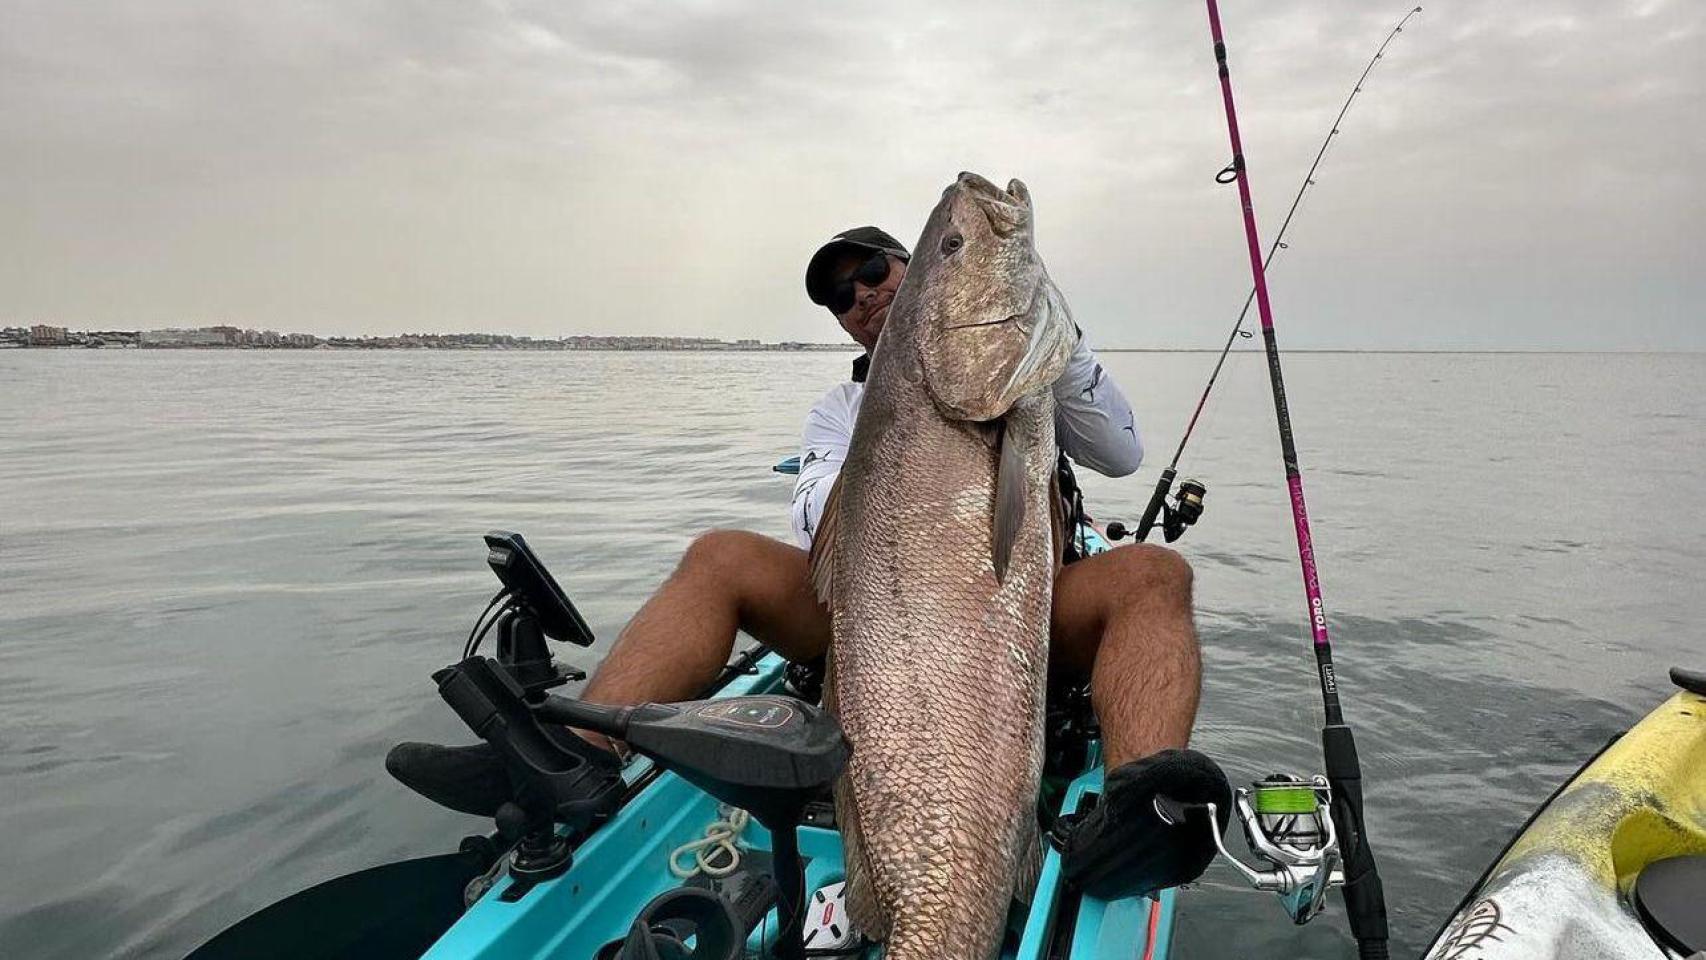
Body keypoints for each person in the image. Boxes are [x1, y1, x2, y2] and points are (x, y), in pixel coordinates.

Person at [388, 226, 1215, 897]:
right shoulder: (841, 408)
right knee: (720, 556)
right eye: (839, 296)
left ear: (917, 273)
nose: (860, 296)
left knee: (1153, 575)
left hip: (1023, 601)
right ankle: (576, 763)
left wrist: (1049, 346)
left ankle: (1140, 813)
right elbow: (812, 508)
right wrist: (903, 423)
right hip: (877, 606)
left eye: (876, 271)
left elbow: (1122, 452)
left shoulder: (1032, 378)